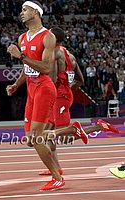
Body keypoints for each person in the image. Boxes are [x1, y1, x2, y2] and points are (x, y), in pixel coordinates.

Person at [38, 27, 119, 175]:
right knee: (47, 132)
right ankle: (55, 167)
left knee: (64, 136)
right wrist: (67, 89)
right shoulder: (71, 56)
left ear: (53, 39)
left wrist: (56, 92)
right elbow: (80, 81)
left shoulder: (55, 54)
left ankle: (99, 127)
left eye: (47, 36)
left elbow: (53, 79)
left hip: (58, 96)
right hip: (63, 94)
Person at [6, 1, 67, 190]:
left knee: (37, 136)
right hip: (31, 89)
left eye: (25, 9)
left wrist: (20, 56)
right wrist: (16, 84)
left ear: (36, 12)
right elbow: (28, 67)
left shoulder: (47, 37)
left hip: (44, 87)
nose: (21, 13)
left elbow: (47, 68)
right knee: (31, 141)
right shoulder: (22, 38)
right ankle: (69, 139)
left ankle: (57, 177)